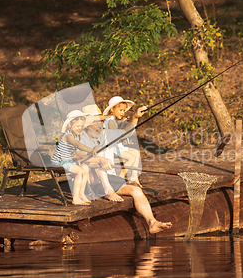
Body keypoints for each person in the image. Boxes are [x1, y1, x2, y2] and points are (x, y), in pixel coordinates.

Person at [77, 104, 173, 234]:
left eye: (100, 120)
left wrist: (135, 117)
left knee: (136, 190)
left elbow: (127, 132)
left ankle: (152, 222)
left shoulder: (105, 134)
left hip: (109, 178)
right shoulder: (80, 138)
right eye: (95, 121)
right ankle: (108, 191)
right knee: (98, 157)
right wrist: (98, 160)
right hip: (93, 184)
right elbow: (79, 159)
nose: (99, 123)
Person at [50, 110, 98, 206]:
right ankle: (75, 198)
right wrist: (91, 150)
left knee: (85, 168)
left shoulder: (77, 136)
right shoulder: (68, 136)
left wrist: (88, 156)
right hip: (60, 162)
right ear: (70, 125)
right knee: (79, 171)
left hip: (69, 161)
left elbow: (77, 153)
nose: (80, 128)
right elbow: (78, 145)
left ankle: (81, 194)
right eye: (77, 126)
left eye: (81, 126)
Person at [103, 96, 145, 186]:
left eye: (123, 111)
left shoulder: (114, 120)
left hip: (117, 146)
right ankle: (120, 179)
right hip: (111, 148)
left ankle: (134, 178)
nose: (122, 113)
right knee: (132, 158)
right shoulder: (110, 121)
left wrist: (133, 118)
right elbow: (117, 136)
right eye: (120, 110)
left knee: (136, 152)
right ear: (112, 110)